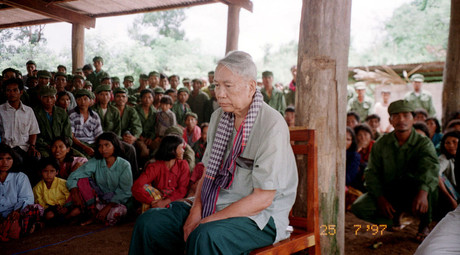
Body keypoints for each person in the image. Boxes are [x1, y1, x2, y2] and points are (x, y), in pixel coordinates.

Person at [129, 51, 298, 254]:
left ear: (251, 87)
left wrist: (207, 220)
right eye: (217, 85)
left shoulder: (271, 124)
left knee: (205, 236)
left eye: (228, 85)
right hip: (215, 201)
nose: (220, 93)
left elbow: (263, 199)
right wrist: (195, 211)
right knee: (150, 223)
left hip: (260, 215)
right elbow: (208, 174)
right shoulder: (219, 117)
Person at [351, 100, 439, 242]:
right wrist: (380, 198)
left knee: (430, 187)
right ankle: (392, 221)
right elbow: (371, 173)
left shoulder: (423, 143)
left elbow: (430, 169)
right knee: (359, 207)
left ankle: (424, 224)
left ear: (413, 119)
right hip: (390, 192)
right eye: (396, 116)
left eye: (406, 115)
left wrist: (423, 192)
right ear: (390, 121)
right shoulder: (381, 144)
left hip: (414, 192)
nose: (401, 120)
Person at [66, 132, 133, 226]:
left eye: (107, 145)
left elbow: (125, 191)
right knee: (82, 180)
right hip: (102, 200)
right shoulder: (96, 162)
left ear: (115, 146)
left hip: (120, 201)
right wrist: (74, 191)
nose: (103, 149)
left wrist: (108, 207)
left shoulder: (124, 165)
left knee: (114, 214)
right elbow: (74, 176)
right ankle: (95, 215)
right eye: (100, 146)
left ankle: (95, 217)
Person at [132, 135, 190, 212]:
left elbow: (182, 190)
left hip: (176, 201)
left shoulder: (183, 165)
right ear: (172, 150)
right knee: (145, 187)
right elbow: (136, 187)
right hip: (157, 201)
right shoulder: (155, 166)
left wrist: (166, 202)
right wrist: (152, 202)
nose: (183, 151)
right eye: (181, 148)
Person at [0, 78, 41, 184]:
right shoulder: (1, 110)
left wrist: (32, 146)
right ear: (5, 92)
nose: (12, 93)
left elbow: (33, 131)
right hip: (7, 148)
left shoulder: (28, 111)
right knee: (16, 161)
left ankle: (31, 192)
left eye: (15, 90)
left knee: (36, 160)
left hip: (25, 148)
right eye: (8, 90)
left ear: (21, 92)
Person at [0, 144, 42, 241]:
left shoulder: (20, 177)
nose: (5, 162)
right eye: (1, 158)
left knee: (14, 232)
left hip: (14, 213)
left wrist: (17, 211)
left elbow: (26, 198)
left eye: (8, 158)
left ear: (13, 160)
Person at [33, 157, 78, 224]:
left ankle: (64, 219)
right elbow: (41, 204)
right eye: (45, 171)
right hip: (50, 209)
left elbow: (70, 197)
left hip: (66, 207)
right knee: (49, 215)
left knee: (76, 211)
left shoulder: (63, 183)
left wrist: (65, 208)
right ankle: (64, 220)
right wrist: (54, 208)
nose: (48, 175)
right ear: (41, 172)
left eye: (52, 171)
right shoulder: (37, 188)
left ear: (57, 172)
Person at [34, 86, 72, 158]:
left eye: (52, 97)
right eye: (45, 97)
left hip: (62, 146)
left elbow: (68, 134)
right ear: (40, 97)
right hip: (43, 147)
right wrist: (47, 145)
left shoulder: (62, 112)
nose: (49, 100)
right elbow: (35, 136)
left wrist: (63, 145)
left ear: (56, 97)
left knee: (81, 158)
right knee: (47, 159)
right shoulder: (34, 113)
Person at [69, 89, 103, 157]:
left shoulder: (95, 116)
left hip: (92, 144)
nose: (82, 102)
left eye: (85, 99)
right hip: (78, 145)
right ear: (76, 100)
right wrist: (85, 147)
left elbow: (98, 135)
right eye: (79, 99)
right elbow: (71, 136)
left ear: (90, 101)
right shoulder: (72, 115)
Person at [436, 131, 460, 217]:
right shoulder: (444, 158)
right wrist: (450, 199)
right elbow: (437, 174)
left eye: (454, 141)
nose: (451, 145)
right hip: (454, 195)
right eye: (447, 143)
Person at [346, 127, 362, 210]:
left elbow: (348, 178)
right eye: (342, 138)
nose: (344, 142)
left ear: (352, 142)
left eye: (348, 139)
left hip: (348, 187)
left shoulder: (354, 156)